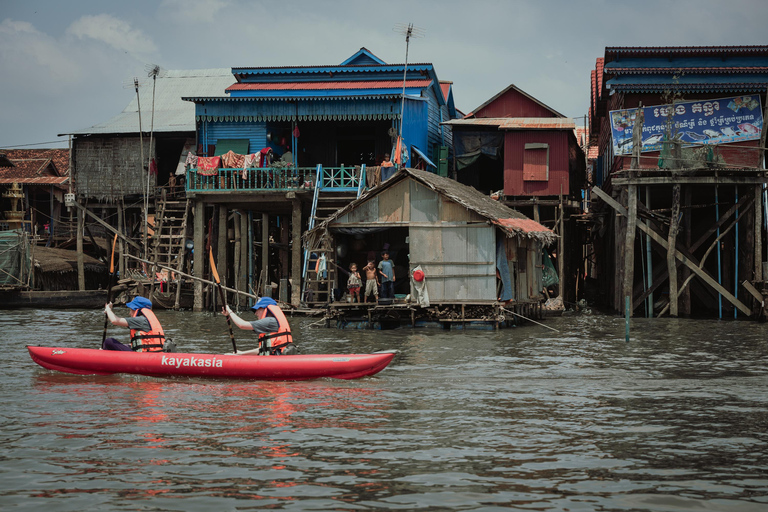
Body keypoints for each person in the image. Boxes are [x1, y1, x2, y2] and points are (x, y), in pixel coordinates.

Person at [222, 297, 297, 355]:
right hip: (277, 357)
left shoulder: (269, 321)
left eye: (257, 309)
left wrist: (229, 311)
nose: (255, 313)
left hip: (277, 360)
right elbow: (263, 349)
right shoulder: (272, 321)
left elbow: (242, 325)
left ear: (265, 309)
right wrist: (241, 354)